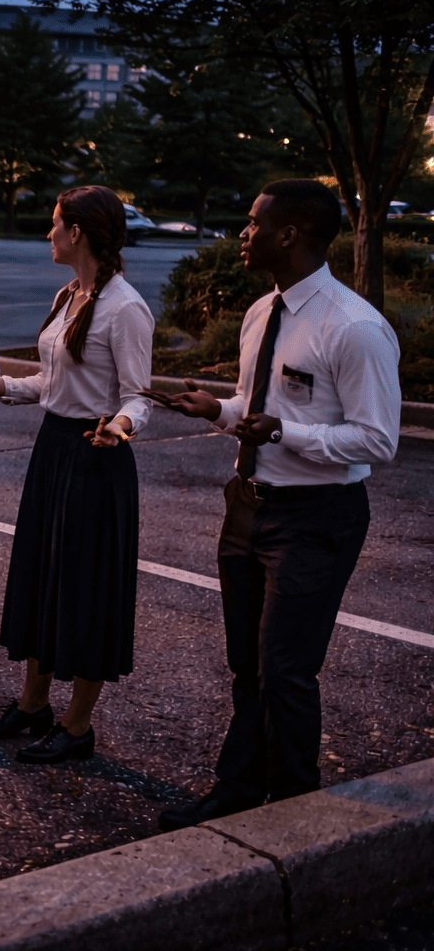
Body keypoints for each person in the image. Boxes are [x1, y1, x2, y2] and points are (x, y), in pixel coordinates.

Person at [145, 179, 400, 830]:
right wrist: (221, 410)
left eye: (254, 223)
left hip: (317, 517)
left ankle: (294, 813)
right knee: (248, 664)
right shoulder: (264, 312)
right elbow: (254, 408)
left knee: (286, 670)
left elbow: (377, 439)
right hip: (247, 508)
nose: (243, 233)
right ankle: (238, 789)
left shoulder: (355, 328)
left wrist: (285, 432)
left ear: (289, 233)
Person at [0, 185, 152, 764]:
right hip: (54, 448)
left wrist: (120, 426)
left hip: (96, 456)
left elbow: (140, 397)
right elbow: (51, 385)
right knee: (43, 575)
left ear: (78, 233)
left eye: (55, 223)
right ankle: (34, 705)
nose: (49, 233)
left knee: (86, 588)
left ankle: (77, 724)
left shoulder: (125, 308)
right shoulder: (71, 295)